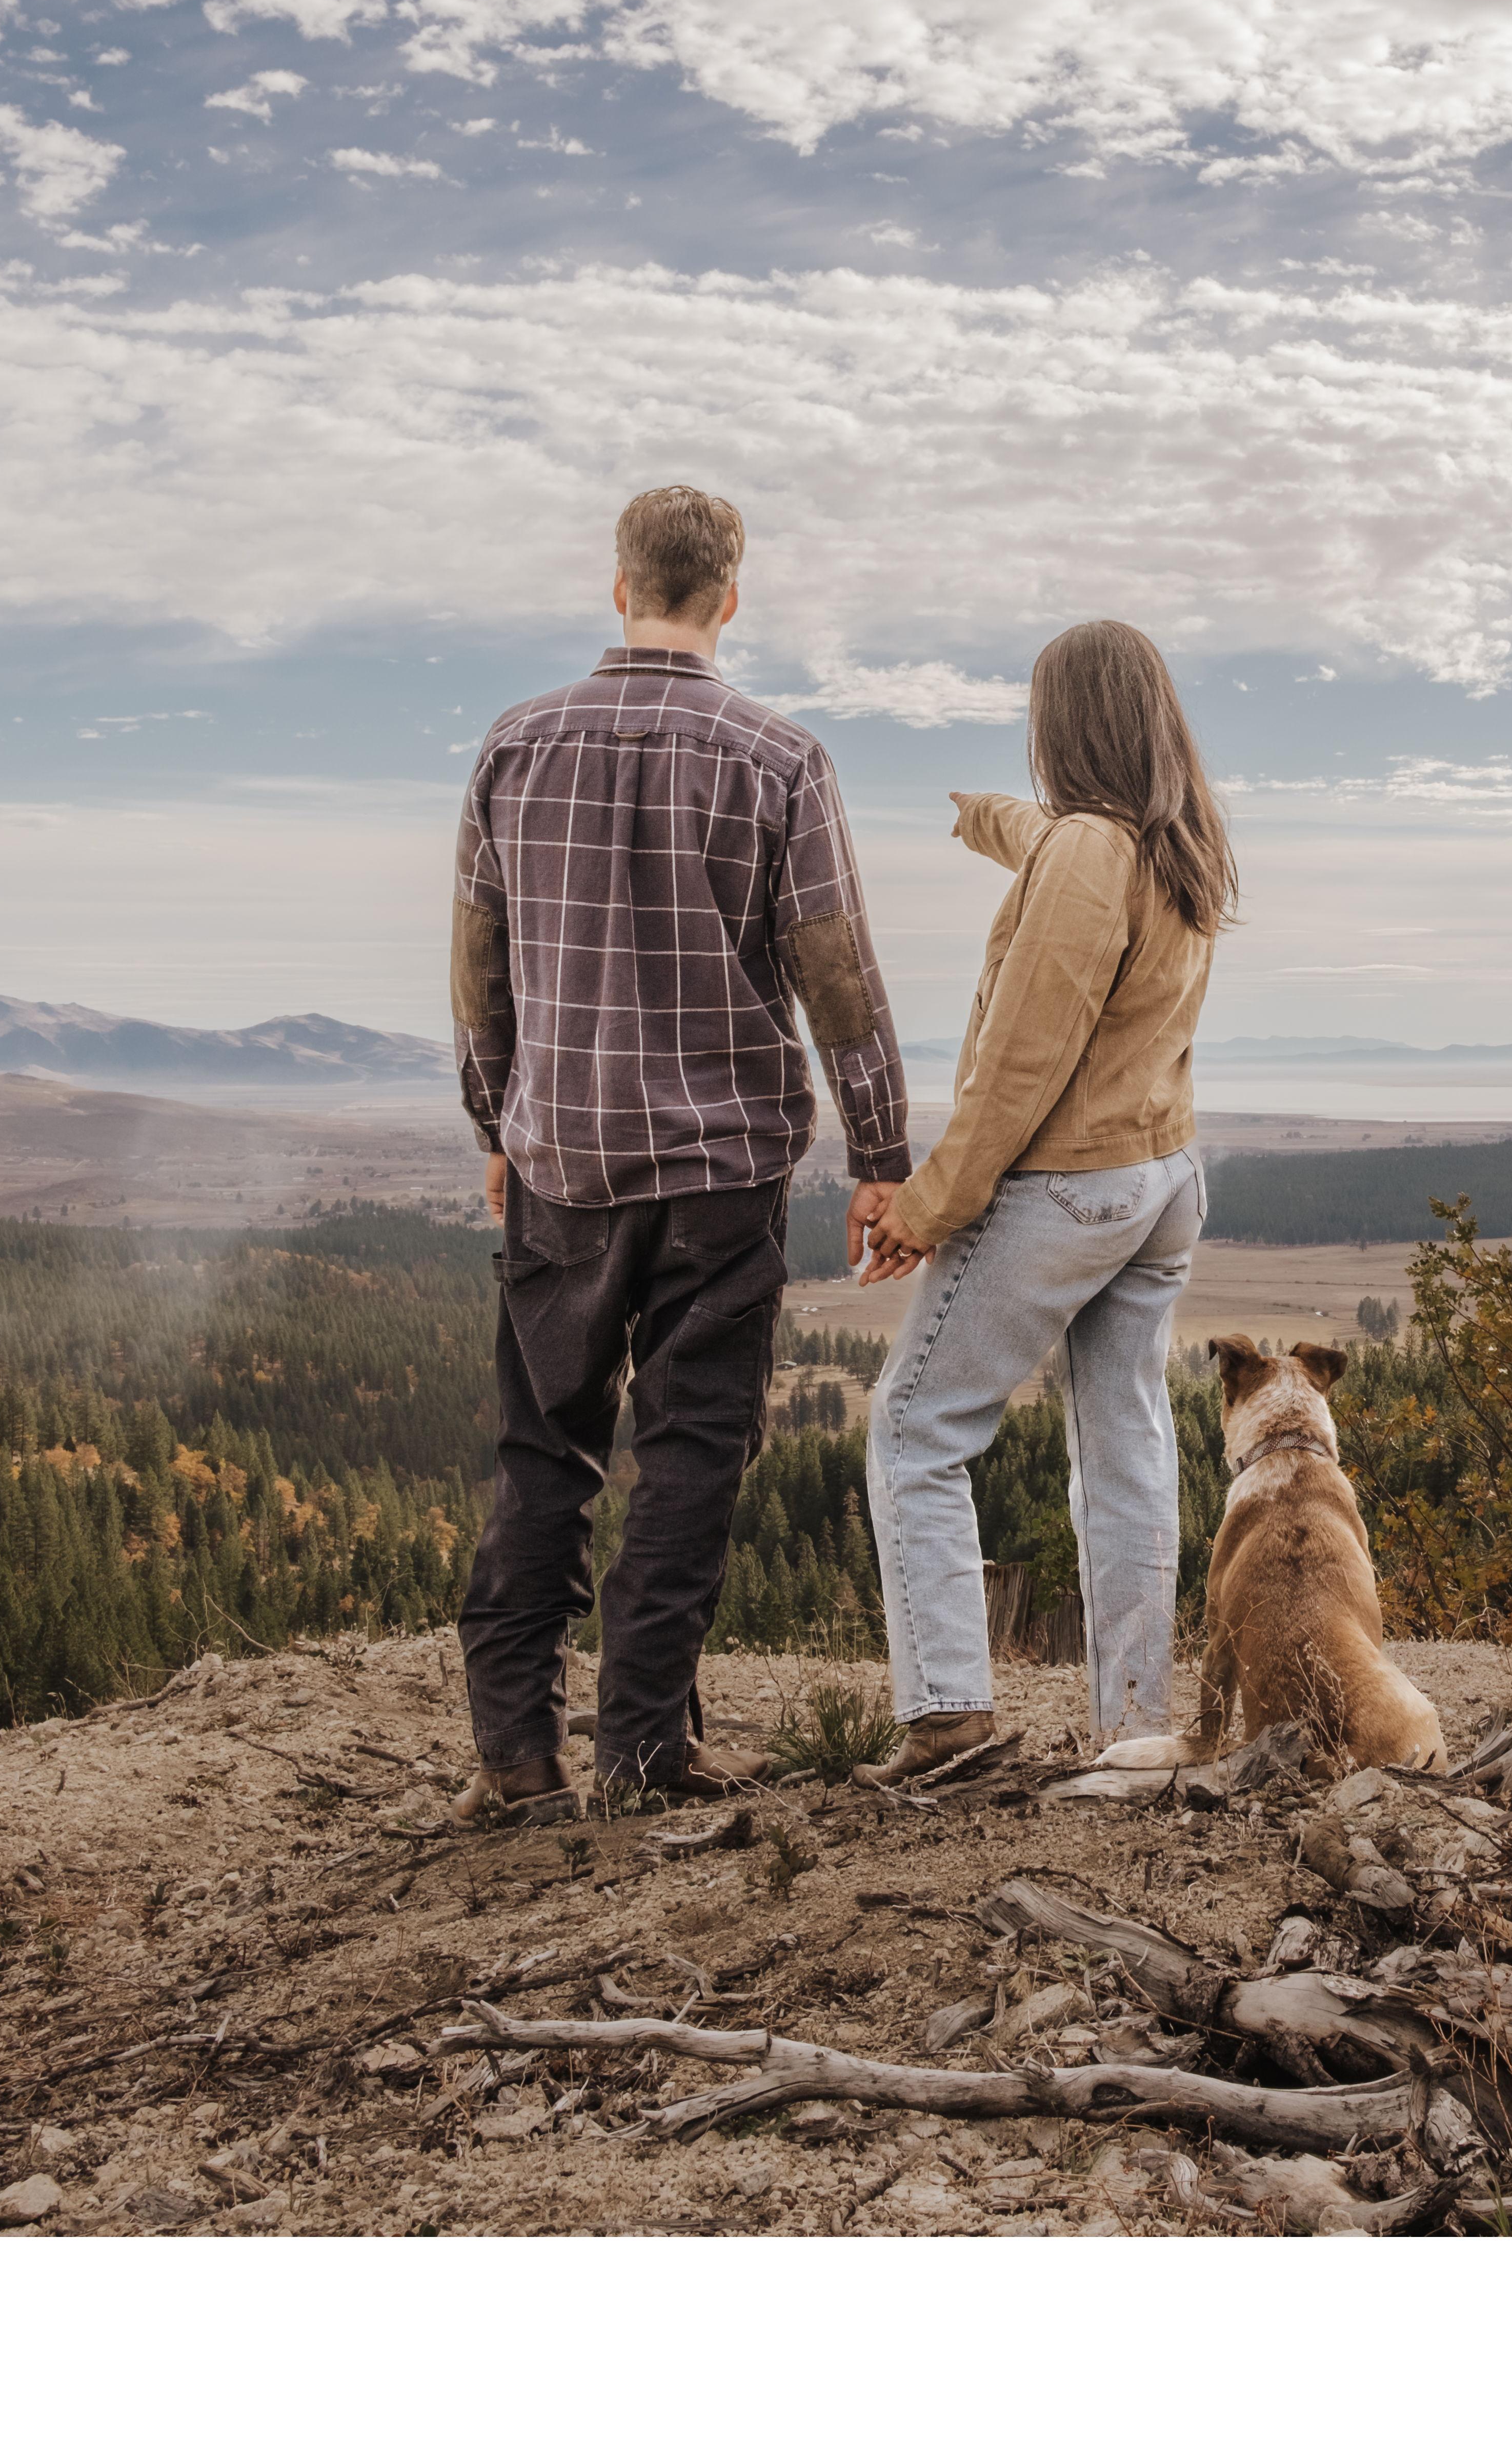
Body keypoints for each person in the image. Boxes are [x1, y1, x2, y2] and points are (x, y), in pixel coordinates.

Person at [446, 485, 913, 1818]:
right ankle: (644, 1747)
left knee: (545, 1454)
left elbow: (481, 965)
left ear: (619, 586)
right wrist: (879, 1152)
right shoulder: (780, 759)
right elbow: (840, 978)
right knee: (693, 1453)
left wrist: (499, 1121)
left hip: (564, 1168)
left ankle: (516, 1757)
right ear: (730, 597)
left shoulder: (514, 746)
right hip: (719, 1174)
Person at [854, 620, 1230, 1779]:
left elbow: (1022, 1059)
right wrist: (982, 818)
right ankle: (1134, 1725)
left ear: (1061, 726)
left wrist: (929, 1204)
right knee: (1124, 1446)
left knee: (915, 1427)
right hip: (1162, 1181)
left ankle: (949, 1718)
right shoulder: (1176, 844)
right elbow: (1051, 841)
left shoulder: (1085, 854)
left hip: (1068, 1187)